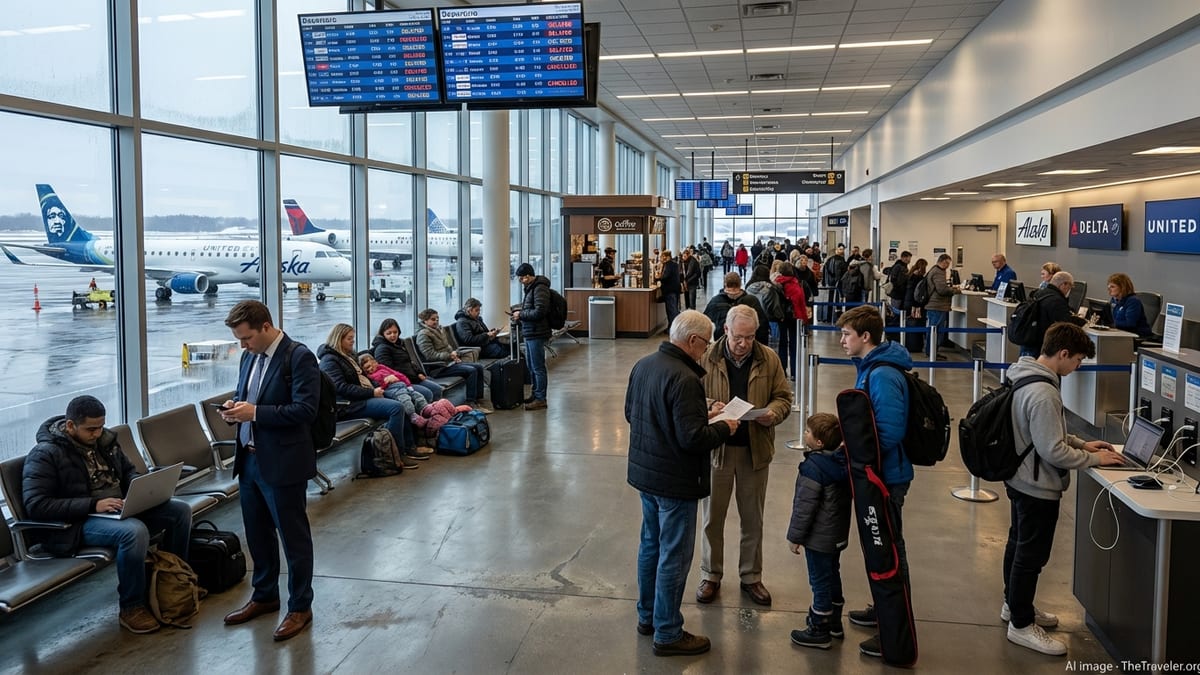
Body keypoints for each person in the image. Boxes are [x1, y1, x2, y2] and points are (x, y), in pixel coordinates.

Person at [22, 395, 192, 634]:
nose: (97, 433)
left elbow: (128, 472)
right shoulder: (45, 454)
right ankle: (132, 606)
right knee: (133, 533)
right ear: (70, 426)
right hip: (75, 524)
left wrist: (140, 490)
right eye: (91, 429)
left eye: (101, 427)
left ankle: (175, 582)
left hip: (115, 508)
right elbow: (37, 505)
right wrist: (93, 505)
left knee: (179, 510)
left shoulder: (106, 441)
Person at [1003, 322, 1125, 656]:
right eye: (1078, 360)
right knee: (1030, 556)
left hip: (1019, 476)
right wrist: (1095, 459)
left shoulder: (1023, 373)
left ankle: (1013, 605)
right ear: (1064, 354)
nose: (1078, 368)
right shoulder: (1044, 393)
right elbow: (1052, 450)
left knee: (1018, 545)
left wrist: (1084, 443)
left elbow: (1046, 434)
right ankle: (1022, 624)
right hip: (1036, 484)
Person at [625, 310, 738, 657]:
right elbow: (692, 439)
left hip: (646, 475)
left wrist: (697, 411)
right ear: (692, 341)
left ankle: (648, 617)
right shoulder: (687, 378)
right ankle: (669, 631)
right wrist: (725, 426)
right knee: (674, 556)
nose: (706, 350)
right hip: (676, 482)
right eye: (705, 343)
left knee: (650, 548)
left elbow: (634, 412)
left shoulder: (644, 365)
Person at [219, 300, 318, 642]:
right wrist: (234, 408)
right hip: (248, 461)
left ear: (265, 327)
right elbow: (245, 393)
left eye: (246, 338)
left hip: (283, 462)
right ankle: (264, 596)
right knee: (258, 536)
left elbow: (305, 410)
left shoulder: (299, 356)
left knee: (294, 539)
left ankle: (300, 606)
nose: (242, 346)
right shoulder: (249, 356)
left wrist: (256, 413)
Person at [696, 305, 792, 607]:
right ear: (726, 331)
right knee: (712, 518)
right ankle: (710, 574)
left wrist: (773, 413)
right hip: (717, 451)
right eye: (739, 337)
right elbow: (691, 395)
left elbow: (783, 397)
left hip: (754, 451)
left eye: (750, 337)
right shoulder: (706, 358)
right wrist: (712, 405)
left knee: (753, 519)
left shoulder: (769, 358)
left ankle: (751, 576)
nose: (744, 343)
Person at [836, 305, 915, 659]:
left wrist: (860, 454)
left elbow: (890, 429)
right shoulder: (871, 367)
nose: (841, 341)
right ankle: (883, 609)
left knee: (891, 550)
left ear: (865, 336)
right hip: (876, 473)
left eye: (846, 335)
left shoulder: (882, 374)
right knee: (881, 549)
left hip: (886, 477)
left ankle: (895, 627)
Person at [317, 323, 427, 465]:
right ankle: (396, 454)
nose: (353, 341)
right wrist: (372, 392)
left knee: (400, 398)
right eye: (349, 339)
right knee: (396, 408)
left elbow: (364, 379)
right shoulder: (330, 361)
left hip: (364, 396)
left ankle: (409, 446)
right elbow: (341, 388)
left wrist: (379, 388)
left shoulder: (346, 356)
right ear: (339, 339)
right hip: (349, 405)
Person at [787, 412, 850, 649]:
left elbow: (805, 508)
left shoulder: (813, 468)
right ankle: (835, 622)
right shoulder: (842, 463)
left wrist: (794, 537)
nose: (805, 434)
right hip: (837, 535)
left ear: (819, 442)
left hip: (818, 539)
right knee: (833, 574)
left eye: (808, 432)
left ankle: (819, 627)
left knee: (819, 581)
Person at [414, 309, 492, 413]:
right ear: (425, 321)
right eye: (433, 319)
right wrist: (449, 356)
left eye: (437, 319)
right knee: (471, 371)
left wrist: (454, 355)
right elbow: (429, 356)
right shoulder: (423, 335)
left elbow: (447, 347)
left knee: (478, 367)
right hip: (437, 368)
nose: (436, 321)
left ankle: (479, 399)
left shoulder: (438, 330)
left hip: (448, 363)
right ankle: (471, 402)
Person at [371, 318, 440, 403]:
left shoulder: (399, 344)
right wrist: (410, 378)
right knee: (428, 393)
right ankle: (429, 412)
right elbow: (387, 371)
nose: (393, 335)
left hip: (412, 378)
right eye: (389, 333)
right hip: (402, 382)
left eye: (395, 332)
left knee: (436, 388)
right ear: (383, 334)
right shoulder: (382, 349)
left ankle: (436, 410)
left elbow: (409, 362)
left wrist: (419, 372)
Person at [514, 262, 551, 411]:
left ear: (528, 276)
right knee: (531, 366)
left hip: (537, 332)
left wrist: (521, 314)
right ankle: (536, 394)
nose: (520, 281)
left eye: (521, 278)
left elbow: (539, 312)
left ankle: (541, 398)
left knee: (538, 367)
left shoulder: (539, 288)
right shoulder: (531, 288)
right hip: (530, 332)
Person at [1018, 271, 1078, 357]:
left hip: (1029, 340)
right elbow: (1065, 324)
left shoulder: (1039, 293)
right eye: (1070, 286)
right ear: (1064, 284)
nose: (1070, 290)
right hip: (1041, 345)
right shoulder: (1057, 300)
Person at [703, 272, 770, 344]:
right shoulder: (752, 301)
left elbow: (704, 323)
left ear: (725, 284)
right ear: (740, 284)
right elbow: (763, 326)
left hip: (722, 346)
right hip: (748, 345)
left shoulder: (715, 301)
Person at [358, 352, 428, 417]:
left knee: (418, 396)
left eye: (371, 365)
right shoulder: (370, 377)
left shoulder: (381, 367)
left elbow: (398, 374)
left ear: (375, 362)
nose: (370, 369)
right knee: (406, 400)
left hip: (401, 385)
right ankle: (413, 416)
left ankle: (426, 411)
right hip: (393, 390)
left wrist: (408, 385)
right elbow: (378, 388)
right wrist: (386, 382)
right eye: (367, 368)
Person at [774, 262, 808, 377]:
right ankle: (794, 371)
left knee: (782, 344)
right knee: (794, 344)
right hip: (795, 318)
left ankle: (782, 371)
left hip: (781, 318)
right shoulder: (796, 285)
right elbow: (801, 304)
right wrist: (805, 320)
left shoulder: (776, 284)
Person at [923, 254, 959, 349]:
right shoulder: (938, 272)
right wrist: (954, 290)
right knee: (935, 329)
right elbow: (942, 290)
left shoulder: (934, 269)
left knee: (933, 328)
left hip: (935, 304)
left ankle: (932, 351)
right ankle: (932, 351)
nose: (948, 266)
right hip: (937, 305)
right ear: (943, 262)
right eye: (947, 263)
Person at [1107, 273, 1152, 337]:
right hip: (1120, 333)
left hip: (1135, 335)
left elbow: (1130, 324)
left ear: (1122, 287)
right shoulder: (1114, 300)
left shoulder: (1133, 301)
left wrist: (1112, 324)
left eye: (1112, 286)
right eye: (1108, 286)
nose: (1109, 289)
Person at [903, 258, 929, 353]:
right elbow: (918, 294)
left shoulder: (910, 275)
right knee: (917, 324)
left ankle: (910, 344)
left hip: (907, 302)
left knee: (910, 324)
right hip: (915, 304)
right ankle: (916, 345)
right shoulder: (919, 278)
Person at [886, 251, 912, 332]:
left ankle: (894, 329)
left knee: (897, 312)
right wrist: (899, 287)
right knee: (895, 312)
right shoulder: (898, 267)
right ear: (903, 257)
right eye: (908, 258)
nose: (909, 260)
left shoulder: (903, 266)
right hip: (897, 293)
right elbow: (894, 279)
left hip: (899, 293)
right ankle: (892, 330)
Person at [656, 249, 683, 329]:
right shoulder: (674, 264)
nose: (661, 258)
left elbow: (666, 276)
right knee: (674, 309)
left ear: (666, 257)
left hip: (670, 290)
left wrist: (659, 278)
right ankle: (671, 327)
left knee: (671, 310)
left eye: (662, 256)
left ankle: (673, 328)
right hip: (675, 289)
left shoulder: (668, 265)